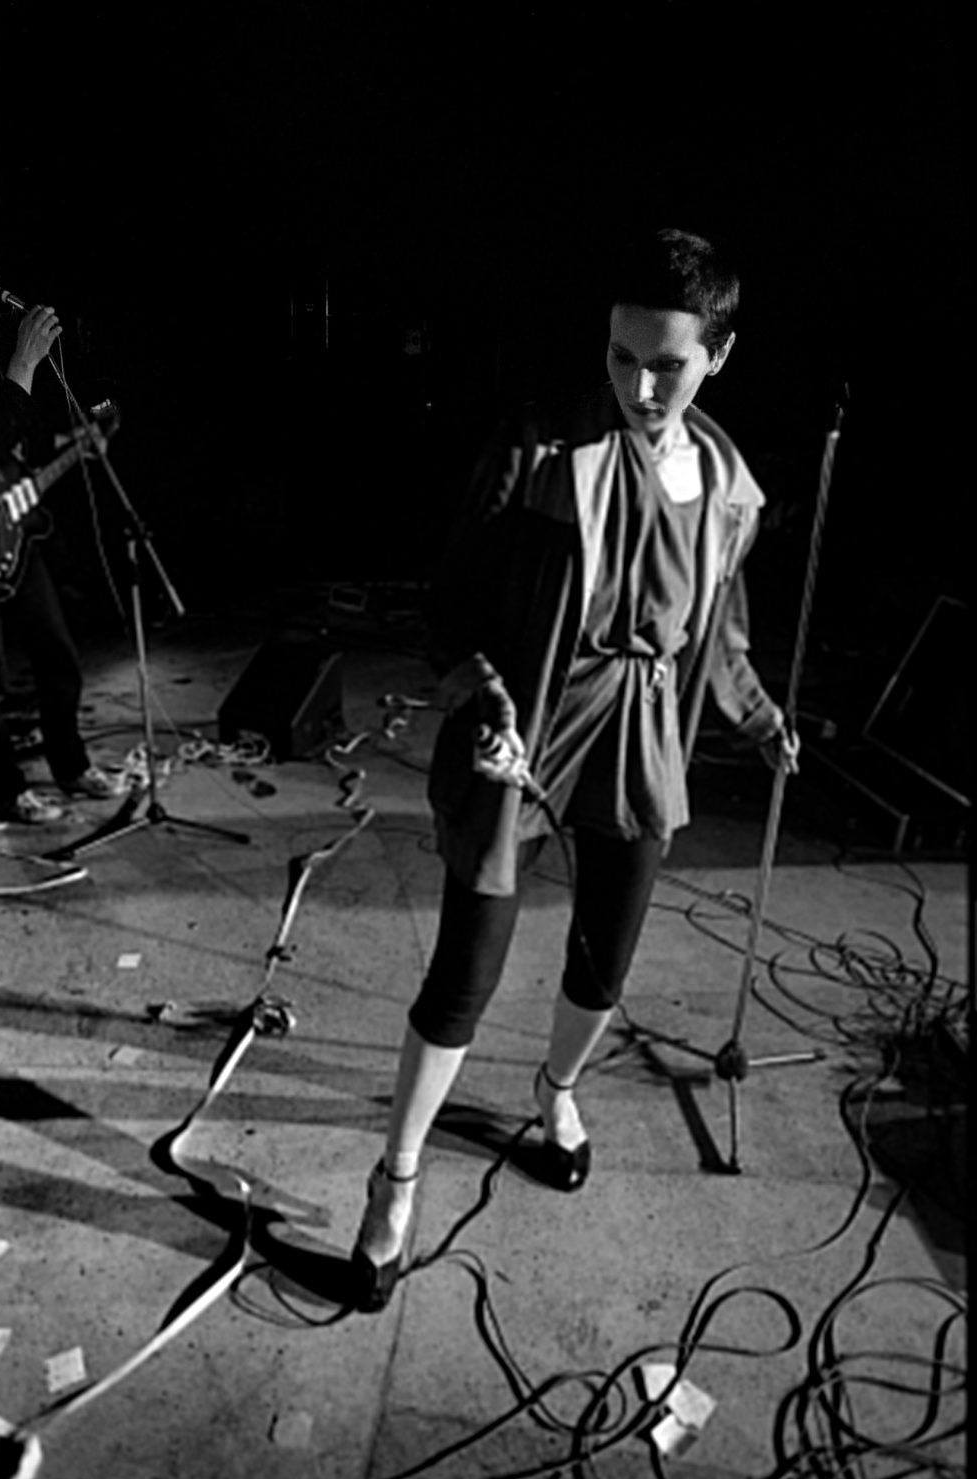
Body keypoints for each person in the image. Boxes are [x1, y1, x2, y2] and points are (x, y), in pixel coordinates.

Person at [347, 229, 801, 1312]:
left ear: (720, 356)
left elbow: (720, 637)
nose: (639, 387)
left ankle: (554, 1092)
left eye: (667, 365)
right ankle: (394, 1179)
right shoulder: (542, 446)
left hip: (643, 733)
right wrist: (479, 692)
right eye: (620, 357)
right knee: (465, 968)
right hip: (533, 718)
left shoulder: (728, 486)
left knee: (607, 954)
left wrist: (758, 717)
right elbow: (450, 603)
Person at [0, 228, 120, 823]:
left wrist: (76, 443)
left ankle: (71, 764)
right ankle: (5, 789)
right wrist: (22, 363)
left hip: (16, 523)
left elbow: (17, 443)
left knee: (56, 652)